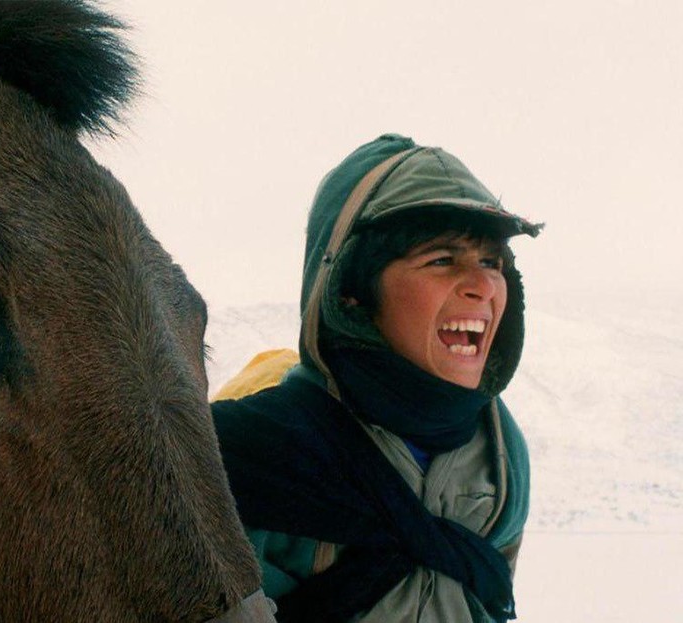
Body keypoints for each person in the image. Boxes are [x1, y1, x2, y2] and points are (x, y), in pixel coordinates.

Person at [212, 133, 542, 623]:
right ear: (352, 291)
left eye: (492, 263)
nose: (483, 285)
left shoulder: (498, 450)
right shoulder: (246, 453)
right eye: (441, 260)